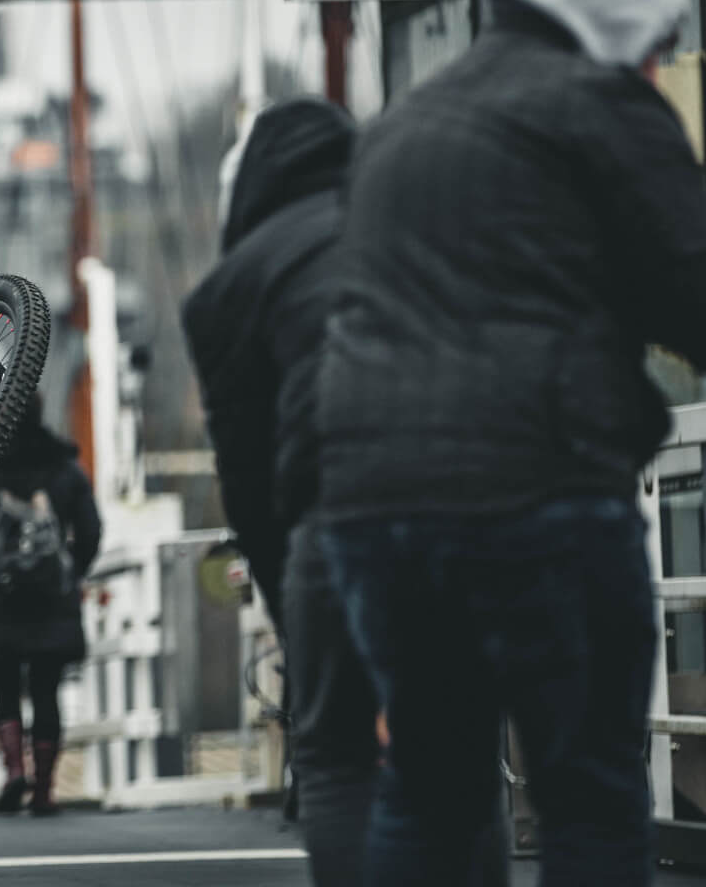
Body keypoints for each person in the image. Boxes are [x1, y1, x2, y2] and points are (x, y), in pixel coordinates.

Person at [313, 0, 706, 886]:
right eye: (659, 43)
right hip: (538, 493)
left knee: (432, 783)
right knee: (588, 787)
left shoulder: (407, 122)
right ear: (620, 24)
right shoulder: (604, 105)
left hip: (379, 503)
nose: (660, 63)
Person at [181, 98, 508, 886]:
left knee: (337, 755)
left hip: (341, 510)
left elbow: (248, 473)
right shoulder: (424, 226)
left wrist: (288, 600)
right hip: (477, 504)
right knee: (464, 743)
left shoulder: (229, 287)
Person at [0, 396, 99, 815]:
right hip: (53, 599)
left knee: (5, 687)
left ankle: (13, 773)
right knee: (47, 691)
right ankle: (44, 790)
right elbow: (91, 530)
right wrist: (71, 573)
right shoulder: (64, 467)